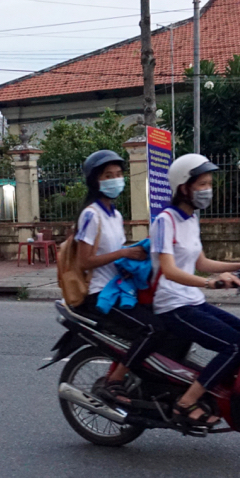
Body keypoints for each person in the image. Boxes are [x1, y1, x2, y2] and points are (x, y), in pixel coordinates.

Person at [150, 153, 240, 428]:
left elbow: (202, 263)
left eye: (209, 184)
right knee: (233, 346)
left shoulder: (191, 219)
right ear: (184, 187)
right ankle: (186, 403)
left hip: (193, 300)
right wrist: (211, 283)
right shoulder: (165, 221)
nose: (208, 190)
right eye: (202, 184)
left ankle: (219, 390)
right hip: (173, 305)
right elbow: (169, 270)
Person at [72, 150, 159, 404]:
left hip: (121, 289)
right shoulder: (91, 215)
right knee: (152, 329)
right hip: (100, 294)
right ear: (95, 181)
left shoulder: (116, 214)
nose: (115, 180)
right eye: (108, 175)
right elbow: (84, 261)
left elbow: (113, 254)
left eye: (119, 174)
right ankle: (115, 381)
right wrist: (123, 252)